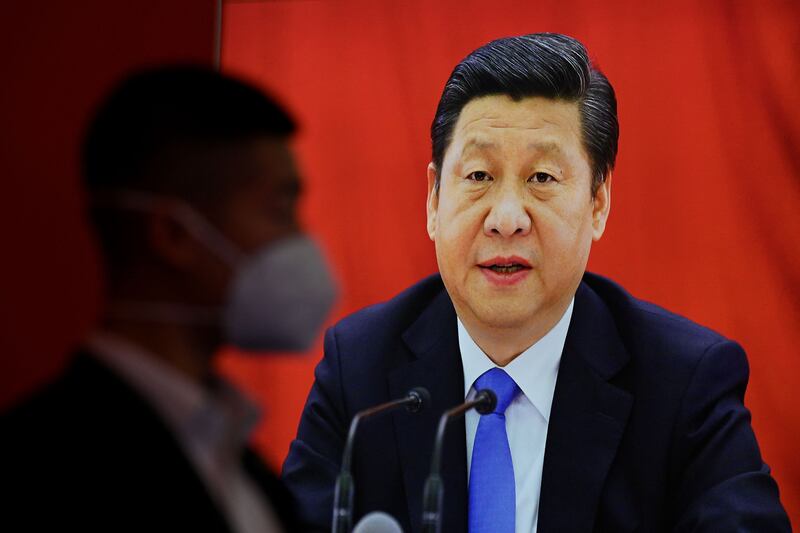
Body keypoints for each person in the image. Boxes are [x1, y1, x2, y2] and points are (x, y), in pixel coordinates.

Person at [280, 33, 790, 532]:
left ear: (598, 203)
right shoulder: (361, 373)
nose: (506, 218)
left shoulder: (684, 383)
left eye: (542, 178)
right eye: (478, 176)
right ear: (434, 199)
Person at [2, 66, 336, 532]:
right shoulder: (42, 466)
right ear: (174, 234)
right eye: (278, 212)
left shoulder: (237, 463)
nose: (301, 241)